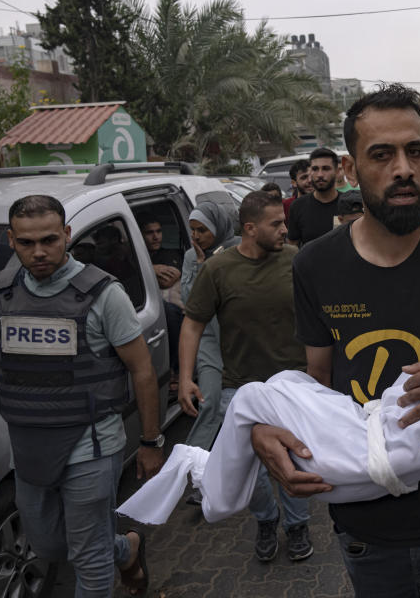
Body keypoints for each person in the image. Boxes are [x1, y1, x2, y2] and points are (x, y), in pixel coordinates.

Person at [118, 272, 420, 570]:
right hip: (370, 458)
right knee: (287, 384)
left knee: (254, 394)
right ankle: (214, 476)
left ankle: (213, 487)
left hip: (363, 459)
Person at [252, 84, 420, 597]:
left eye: (414, 151)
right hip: (365, 527)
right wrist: (266, 429)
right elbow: (317, 382)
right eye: (382, 154)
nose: (403, 168)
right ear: (350, 169)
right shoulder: (315, 265)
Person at [0, 195, 163, 596]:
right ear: (11, 240)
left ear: (67, 235)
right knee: (49, 545)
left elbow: (142, 370)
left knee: (89, 559)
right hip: (29, 446)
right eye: (27, 243)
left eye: (49, 240)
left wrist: (151, 441)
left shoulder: (103, 294)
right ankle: (126, 548)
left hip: (92, 444)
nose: (39, 252)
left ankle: (108, 554)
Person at [178, 191, 313, 562]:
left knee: (293, 459)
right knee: (249, 468)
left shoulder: (295, 260)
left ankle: (298, 525)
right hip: (238, 387)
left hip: (292, 384)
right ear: (250, 229)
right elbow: (192, 324)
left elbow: (319, 317)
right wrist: (187, 378)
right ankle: (266, 519)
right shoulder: (218, 270)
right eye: (276, 224)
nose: (285, 229)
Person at [178, 201, 240, 493]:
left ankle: (239, 468)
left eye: (202, 230)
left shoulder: (238, 249)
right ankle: (193, 472)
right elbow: (191, 301)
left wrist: (210, 267)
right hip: (208, 340)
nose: (197, 237)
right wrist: (201, 266)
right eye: (192, 230)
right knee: (210, 401)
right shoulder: (192, 256)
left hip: (238, 337)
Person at [136, 212, 184, 389]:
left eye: (158, 231)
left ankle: (176, 369)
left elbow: (167, 280)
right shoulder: (134, 257)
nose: (156, 236)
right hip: (143, 307)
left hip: (169, 308)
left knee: (171, 313)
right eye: (149, 232)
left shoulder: (170, 254)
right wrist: (151, 270)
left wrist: (144, 271)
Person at [287, 147, 341, 247]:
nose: (320, 174)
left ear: (337, 172)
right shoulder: (298, 206)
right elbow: (292, 247)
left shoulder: (348, 204)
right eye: (315, 169)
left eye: (326, 168)